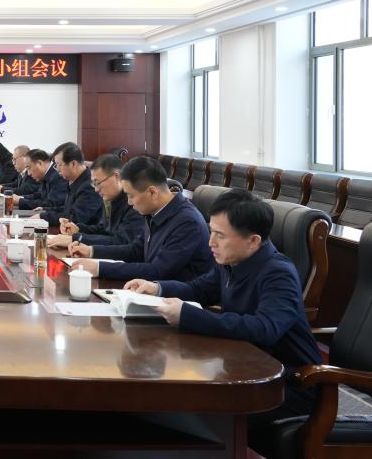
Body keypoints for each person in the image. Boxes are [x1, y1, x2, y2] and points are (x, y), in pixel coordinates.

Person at [124, 189, 321, 439]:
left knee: (176, 405)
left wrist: (188, 316)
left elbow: (266, 328)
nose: (211, 243)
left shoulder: (278, 273)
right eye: (211, 231)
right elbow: (199, 290)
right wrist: (157, 287)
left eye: (220, 235)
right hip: (244, 367)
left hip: (284, 384)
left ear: (253, 241)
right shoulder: (231, 261)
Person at [68, 156, 214, 282]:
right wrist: (91, 251)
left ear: (152, 192)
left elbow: (158, 271)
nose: (129, 202)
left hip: (175, 298)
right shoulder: (154, 211)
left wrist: (100, 268)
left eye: (131, 195)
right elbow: (135, 250)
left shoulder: (186, 222)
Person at [50, 153, 147, 248]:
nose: (96, 190)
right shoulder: (111, 197)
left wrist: (78, 238)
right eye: (93, 184)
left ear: (116, 176)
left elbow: (121, 241)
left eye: (98, 183)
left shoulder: (134, 203)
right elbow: (104, 229)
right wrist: (78, 228)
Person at [44, 142, 103, 227]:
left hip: (86, 233)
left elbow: (75, 217)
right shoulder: (75, 180)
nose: (57, 169)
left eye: (59, 164)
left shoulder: (90, 185)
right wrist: (44, 210)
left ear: (73, 164)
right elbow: (68, 209)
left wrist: (44, 217)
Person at [13, 149, 68, 213]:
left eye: (29, 168)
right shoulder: (47, 175)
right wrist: (20, 197)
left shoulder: (58, 176)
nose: (29, 174)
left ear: (40, 163)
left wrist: (20, 201)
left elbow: (51, 204)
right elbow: (38, 195)